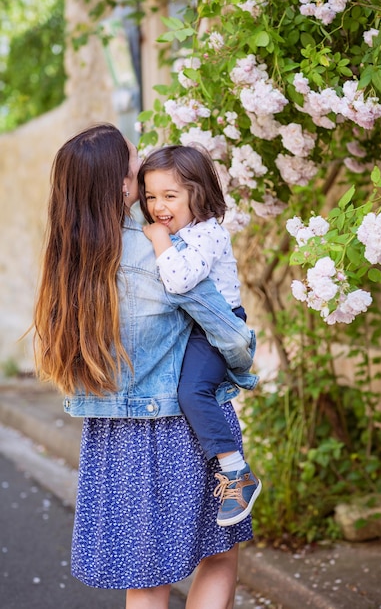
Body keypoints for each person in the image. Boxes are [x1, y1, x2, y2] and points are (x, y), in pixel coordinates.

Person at [32, 123, 259, 609]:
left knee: (146, 579)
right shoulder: (163, 245)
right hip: (180, 427)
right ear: (121, 184)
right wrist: (241, 363)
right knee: (218, 555)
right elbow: (228, 331)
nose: (141, 164)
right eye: (134, 163)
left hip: (113, 438)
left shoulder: (69, 255)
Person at [138, 145, 261, 527]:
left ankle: (237, 472)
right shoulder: (183, 229)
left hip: (214, 329)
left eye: (170, 196)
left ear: (199, 194)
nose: (158, 206)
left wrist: (158, 239)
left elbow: (178, 281)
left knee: (192, 391)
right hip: (193, 328)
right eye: (150, 196)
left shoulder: (208, 234)